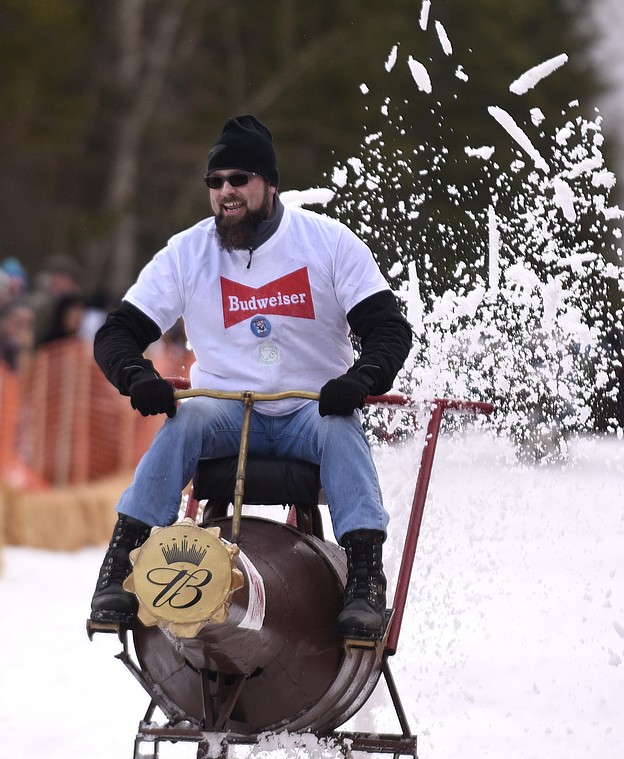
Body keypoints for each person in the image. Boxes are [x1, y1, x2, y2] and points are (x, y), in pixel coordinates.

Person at [88, 114, 413, 642]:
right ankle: (122, 563)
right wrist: (136, 375)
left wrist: (362, 378)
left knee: (340, 426)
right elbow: (117, 333)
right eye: (215, 183)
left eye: (239, 179)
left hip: (310, 406)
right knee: (185, 418)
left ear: (270, 184)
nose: (226, 192)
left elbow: (388, 330)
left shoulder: (327, 243)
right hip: (226, 408)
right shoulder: (188, 252)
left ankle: (364, 580)